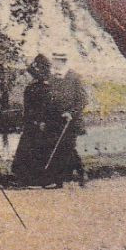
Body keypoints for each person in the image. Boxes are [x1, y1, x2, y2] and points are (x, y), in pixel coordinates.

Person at [44, 51, 89, 187]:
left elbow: (83, 99)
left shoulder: (74, 77)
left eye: (56, 61)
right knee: (59, 148)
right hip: (55, 120)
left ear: (63, 62)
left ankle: (78, 174)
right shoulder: (51, 78)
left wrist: (71, 113)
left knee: (68, 147)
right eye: (53, 60)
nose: (53, 63)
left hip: (71, 121)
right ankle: (62, 179)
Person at [12, 54, 55, 186]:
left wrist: (40, 121)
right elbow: (29, 108)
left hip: (39, 124)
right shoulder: (34, 88)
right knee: (32, 150)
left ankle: (37, 179)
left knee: (38, 150)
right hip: (34, 124)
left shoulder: (44, 89)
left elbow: (47, 109)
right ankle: (30, 179)